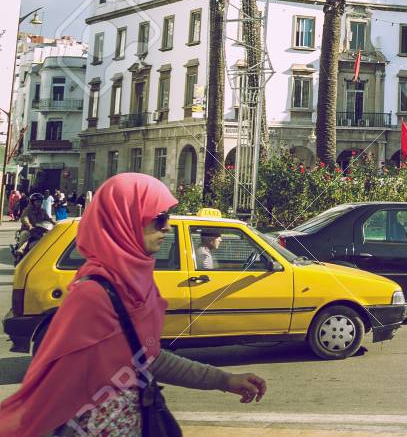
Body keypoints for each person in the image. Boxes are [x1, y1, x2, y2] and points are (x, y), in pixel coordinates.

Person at [0, 173, 267, 437]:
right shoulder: (93, 295)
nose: (167, 227)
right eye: (158, 219)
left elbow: (145, 358)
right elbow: (55, 390)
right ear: (124, 222)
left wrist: (224, 380)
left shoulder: (136, 285)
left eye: (167, 218)